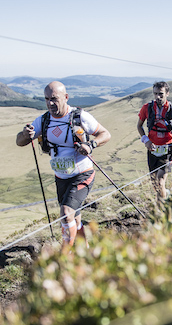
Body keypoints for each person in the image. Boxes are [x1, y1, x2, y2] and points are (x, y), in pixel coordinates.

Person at [16, 81, 111, 248]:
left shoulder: (79, 117)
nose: (50, 103)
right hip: (61, 176)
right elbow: (20, 142)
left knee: (66, 214)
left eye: (54, 99)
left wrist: (91, 145)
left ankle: (65, 256)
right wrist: (25, 134)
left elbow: (105, 134)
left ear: (66, 97)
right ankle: (85, 250)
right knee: (74, 217)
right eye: (47, 99)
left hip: (83, 173)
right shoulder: (44, 120)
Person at [136, 81, 172, 201]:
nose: (157, 97)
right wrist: (146, 140)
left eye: (161, 94)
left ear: (167, 93)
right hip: (152, 150)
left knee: (160, 182)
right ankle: (166, 196)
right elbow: (139, 126)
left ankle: (161, 212)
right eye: (155, 94)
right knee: (155, 184)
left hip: (167, 150)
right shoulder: (147, 108)